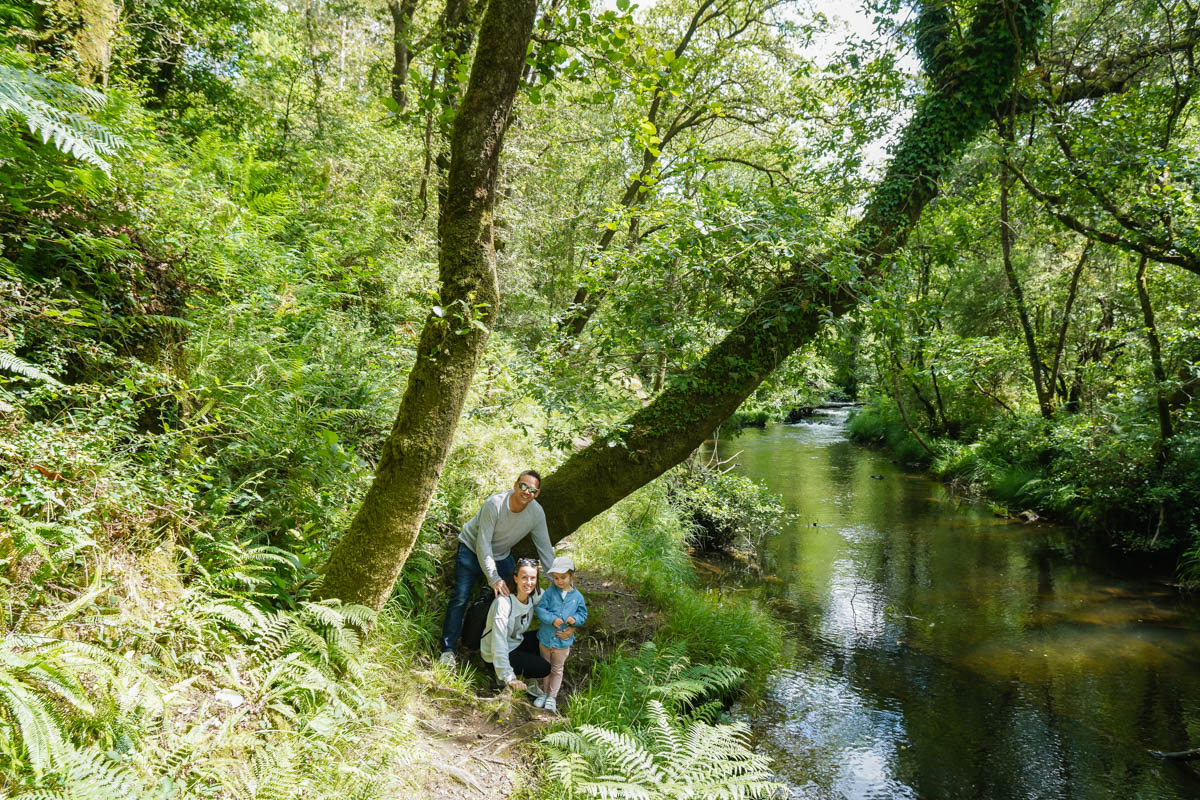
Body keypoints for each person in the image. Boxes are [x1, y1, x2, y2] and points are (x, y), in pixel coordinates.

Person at [439, 470, 555, 665]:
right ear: (515, 485)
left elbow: (545, 550)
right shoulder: (495, 504)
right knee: (460, 596)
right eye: (523, 486)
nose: (526, 492)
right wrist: (493, 578)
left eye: (532, 490)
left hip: (501, 555)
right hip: (471, 549)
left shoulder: (536, 513)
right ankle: (448, 650)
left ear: (537, 493)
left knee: (513, 596)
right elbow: (483, 544)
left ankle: (496, 650)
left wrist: (561, 585)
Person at [480, 558, 551, 691]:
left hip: (515, 643)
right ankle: (500, 674)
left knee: (547, 636)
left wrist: (569, 627)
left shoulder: (533, 595)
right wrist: (508, 677)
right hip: (493, 654)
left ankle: (525, 673)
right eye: (524, 578)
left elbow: (555, 604)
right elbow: (498, 642)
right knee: (544, 668)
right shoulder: (504, 603)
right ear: (515, 578)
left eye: (533, 578)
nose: (529, 583)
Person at [534, 555, 586, 712]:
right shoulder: (550, 593)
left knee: (557, 669)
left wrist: (575, 620)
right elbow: (540, 609)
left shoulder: (577, 597)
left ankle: (552, 696)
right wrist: (551, 619)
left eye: (563, 577)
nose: (559, 581)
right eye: (556, 578)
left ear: (572, 576)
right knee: (544, 667)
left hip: (562, 643)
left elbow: (583, 615)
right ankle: (543, 692)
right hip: (545, 639)